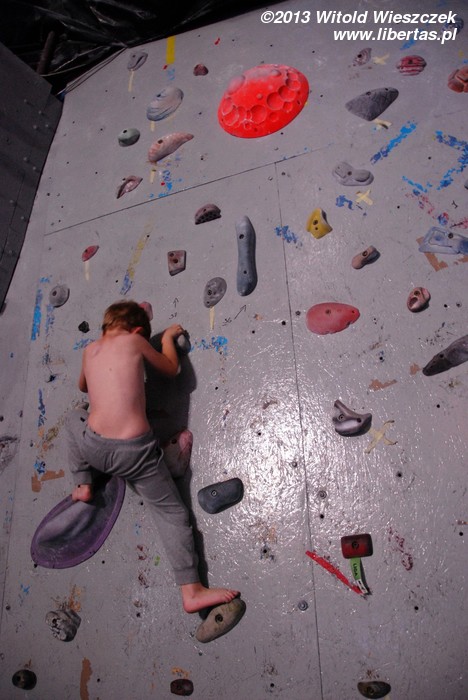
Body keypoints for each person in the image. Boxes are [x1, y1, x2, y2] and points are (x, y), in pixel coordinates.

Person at [66, 300, 239, 613]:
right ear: (135, 331)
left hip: (93, 448)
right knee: (171, 513)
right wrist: (167, 338)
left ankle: (83, 483)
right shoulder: (135, 341)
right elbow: (171, 369)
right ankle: (192, 590)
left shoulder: (89, 350)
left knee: (74, 418)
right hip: (135, 454)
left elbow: (82, 386)